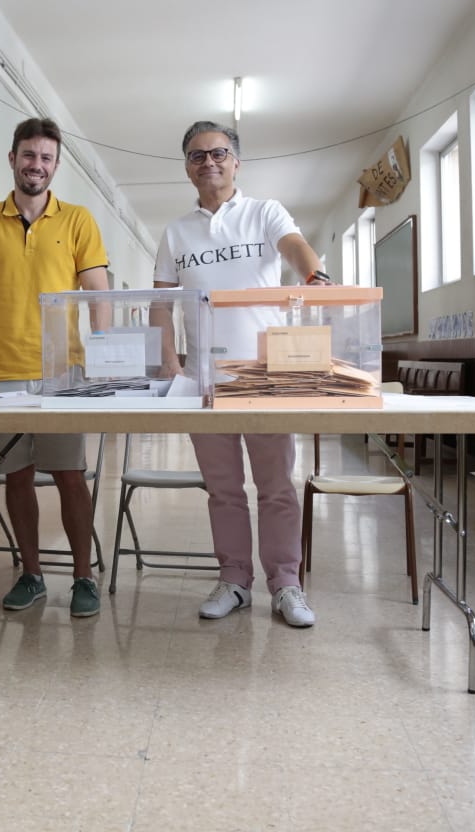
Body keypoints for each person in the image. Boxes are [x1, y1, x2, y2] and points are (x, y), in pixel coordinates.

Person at [0, 118, 110, 617]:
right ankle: (30, 575)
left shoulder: (77, 221)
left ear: (56, 165)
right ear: (12, 159)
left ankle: (83, 577)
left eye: (46, 157)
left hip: (62, 372)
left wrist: (103, 356)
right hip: (2, 371)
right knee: (17, 476)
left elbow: (99, 294)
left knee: (71, 474)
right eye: (29, 155)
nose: (37, 165)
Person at [152, 120, 330, 626]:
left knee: (275, 486)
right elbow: (161, 305)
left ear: (236, 161)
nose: (208, 162)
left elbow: (294, 247)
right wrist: (170, 363)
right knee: (223, 489)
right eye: (196, 155)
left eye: (218, 153)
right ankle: (234, 579)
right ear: (187, 167)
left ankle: (286, 584)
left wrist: (312, 274)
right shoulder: (176, 232)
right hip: (204, 379)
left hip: (265, 375)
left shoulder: (264, 212)